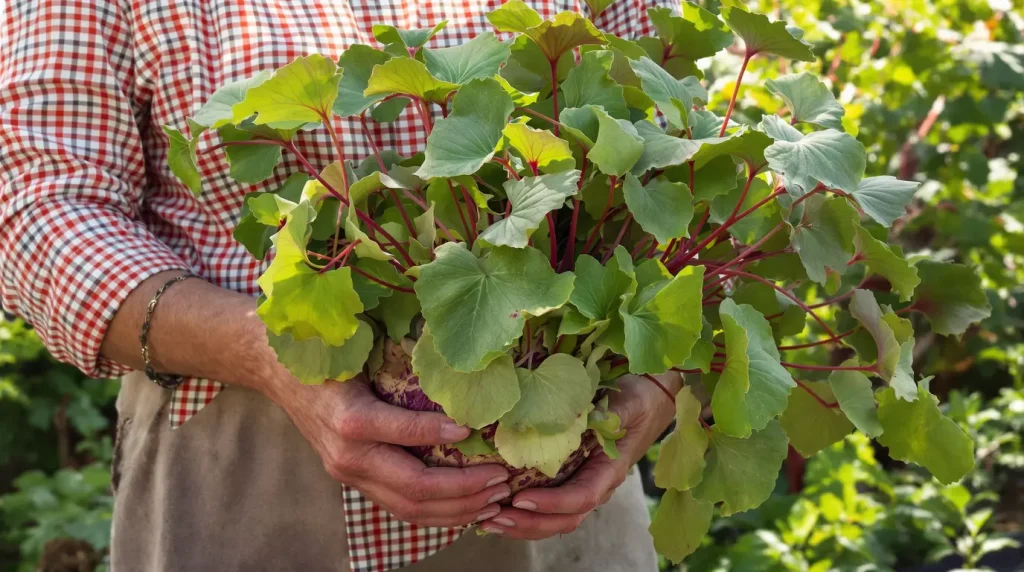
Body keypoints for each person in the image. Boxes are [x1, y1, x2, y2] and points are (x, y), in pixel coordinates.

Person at [0, 1, 681, 570]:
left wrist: (659, 381)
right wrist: (265, 352)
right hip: (248, 467)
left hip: (563, 454)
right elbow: (41, 212)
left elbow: (674, 135)